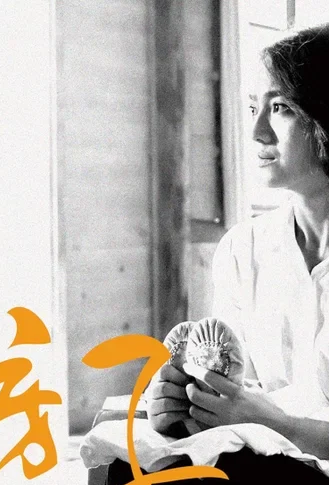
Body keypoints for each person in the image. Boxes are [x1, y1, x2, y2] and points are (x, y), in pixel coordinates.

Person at [109, 22, 329, 484]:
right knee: (126, 460)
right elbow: (233, 388)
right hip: (268, 460)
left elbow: (262, 417)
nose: (256, 131)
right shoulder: (243, 249)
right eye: (252, 107)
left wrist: (278, 424)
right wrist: (181, 403)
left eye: (281, 108)